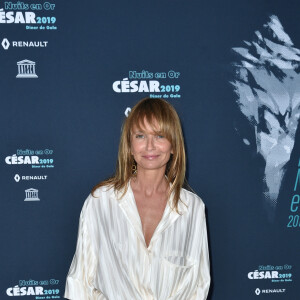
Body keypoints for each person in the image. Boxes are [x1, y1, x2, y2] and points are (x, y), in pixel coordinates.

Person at [64, 97, 210, 300]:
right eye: (140, 136)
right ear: (130, 147)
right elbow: (79, 283)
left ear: (174, 145)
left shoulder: (192, 208)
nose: (150, 146)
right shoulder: (100, 203)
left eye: (160, 136)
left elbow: (198, 286)